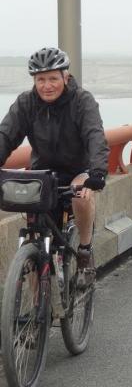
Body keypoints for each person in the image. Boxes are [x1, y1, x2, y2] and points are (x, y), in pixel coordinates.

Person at [0, 47, 109, 288]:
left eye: (52, 78)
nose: (47, 85)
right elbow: (5, 136)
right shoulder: (26, 103)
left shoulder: (82, 101)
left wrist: (97, 171)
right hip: (43, 174)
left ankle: (84, 250)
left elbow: (95, 136)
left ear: (65, 77)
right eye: (41, 79)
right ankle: (39, 316)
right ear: (34, 81)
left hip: (78, 171)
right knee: (37, 246)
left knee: (80, 192)